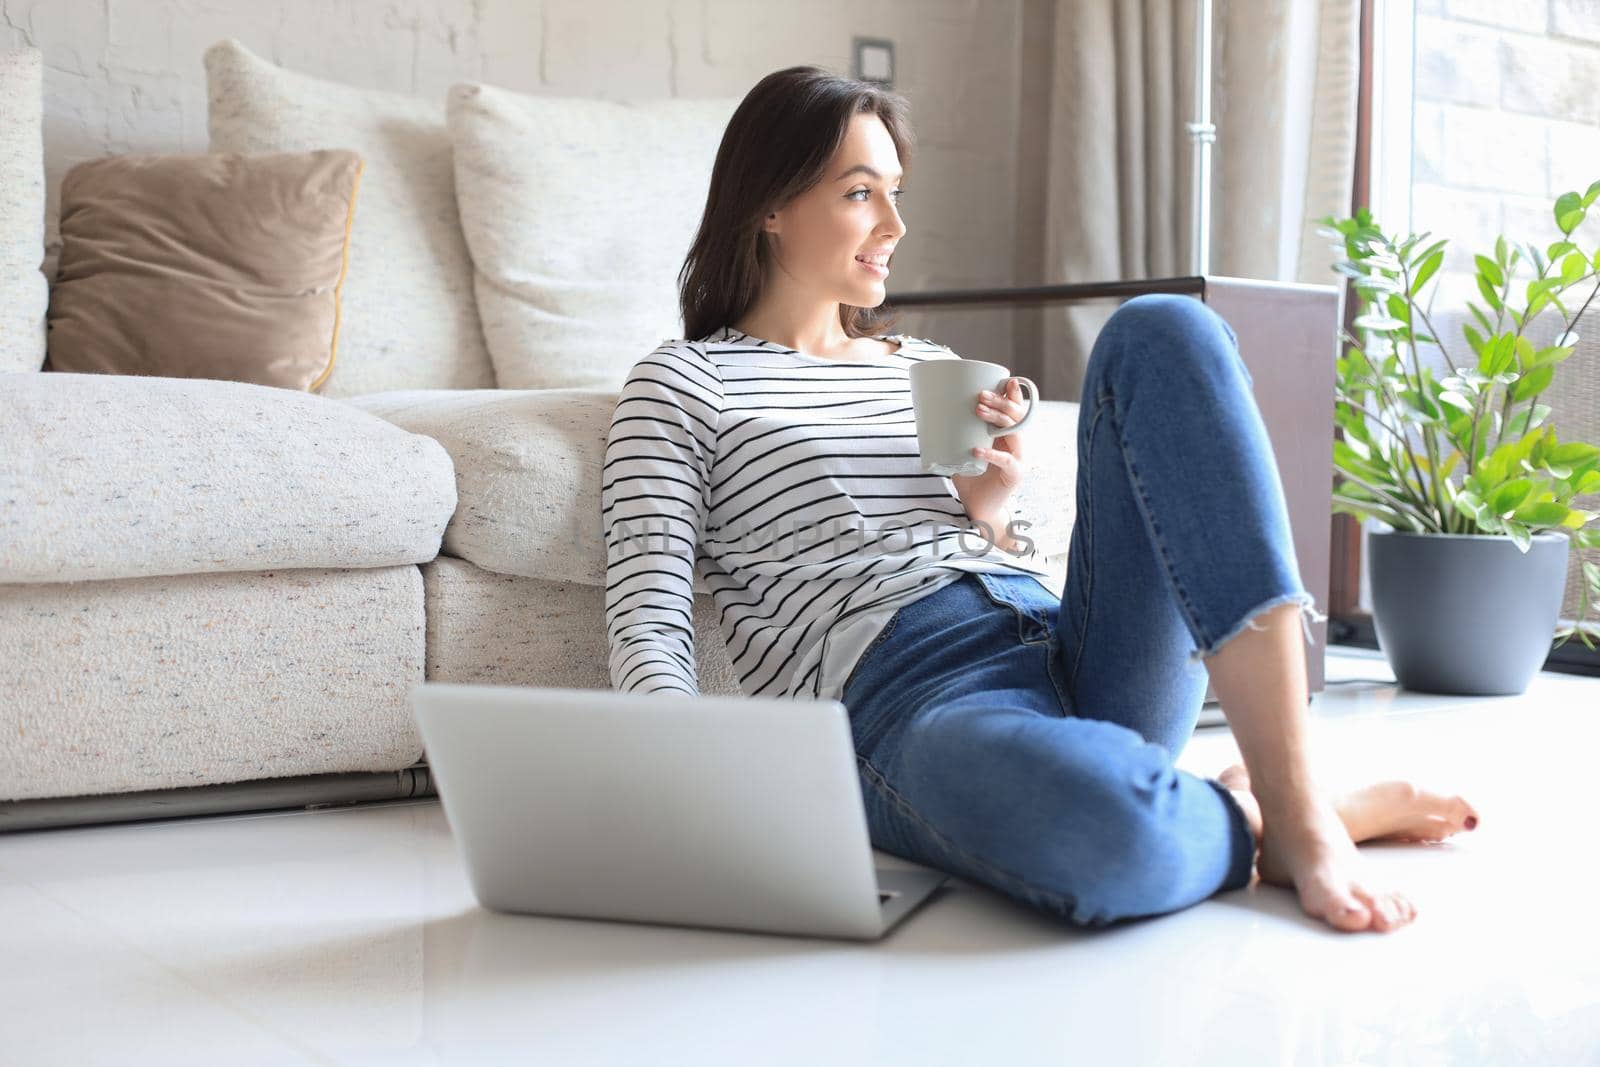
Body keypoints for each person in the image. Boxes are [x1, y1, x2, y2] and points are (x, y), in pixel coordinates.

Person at [601, 65, 1480, 935]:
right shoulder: (687, 382)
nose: (895, 225)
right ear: (769, 203)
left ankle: (1292, 799)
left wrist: (992, 507)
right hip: (896, 699)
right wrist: (696, 795)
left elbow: (999, 555)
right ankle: (1266, 819)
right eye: (860, 193)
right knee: (1109, 834)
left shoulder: (923, 364)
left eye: (896, 192)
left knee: (1163, 327)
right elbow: (647, 616)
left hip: (1061, 637)